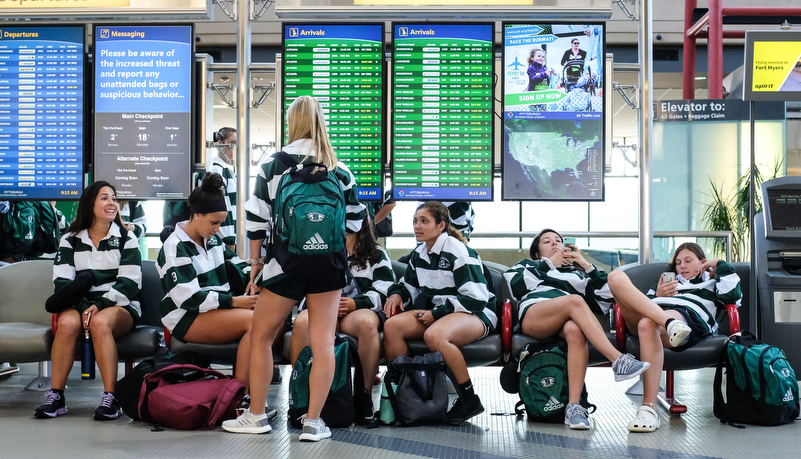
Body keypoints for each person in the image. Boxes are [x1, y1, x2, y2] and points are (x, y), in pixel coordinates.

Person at [222, 95, 366, 441]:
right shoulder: (338, 167)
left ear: (292, 122)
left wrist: (256, 264)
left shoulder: (273, 164)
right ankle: (314, 422)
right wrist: (336, 259)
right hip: (328, 267)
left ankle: (256, 415)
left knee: (261, 337)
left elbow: (255, 218)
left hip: (285, 264)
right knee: (323, 342)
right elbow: (356, 222)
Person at [503, 229, 649, 430]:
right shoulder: (528, 265)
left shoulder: (577, 273)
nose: (555, 244)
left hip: (567, 320)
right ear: (537, 252)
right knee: (575, 301)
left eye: (559, 241)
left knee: (575, 329)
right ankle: (617, 360)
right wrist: (549, 265)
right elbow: (516, 288)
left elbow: (606, 298)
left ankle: (574, 408)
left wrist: (586, 265)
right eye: (547, 241)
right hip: (536, 316)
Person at [156, 172, 272, 413]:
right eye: (214, 223)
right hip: (185, 317)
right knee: (255, 322)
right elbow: (188, 299)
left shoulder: (213, 240)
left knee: (266, 320)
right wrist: (235, 302)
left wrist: (254, 277)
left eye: (220, 223)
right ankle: (238, 399)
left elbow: (236, 262)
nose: (218, 229)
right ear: (197, 215)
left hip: (214, 310)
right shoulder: (174, 246)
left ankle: (244, 398)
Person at [35, 181, 142, 420]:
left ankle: (111, 398)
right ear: (89, 204)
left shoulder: (127, 238)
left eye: (114, 198)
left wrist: (98, 306)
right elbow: (62, 284)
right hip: (79, 304)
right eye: (104, 198)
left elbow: (130, 284)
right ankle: (57, 397)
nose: (112, 203)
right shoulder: (70, 240)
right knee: (66, 324)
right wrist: (85, 307)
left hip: (119, 304)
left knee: (100, 322)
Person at [383, 201, 496, 424]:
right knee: (392, 326)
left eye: (424, 221)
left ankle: (468, 399)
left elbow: (476, 297)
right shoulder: (420, 253)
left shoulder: (457, 250)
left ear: (441, 225)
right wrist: (396, 293)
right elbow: (408, 285)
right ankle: (407, 394)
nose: (417, 226)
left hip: (476, 313)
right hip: (442, 313)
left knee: (435, 335)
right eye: (415, 221)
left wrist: (437, 313)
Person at [607, 242, 740, 432]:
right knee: (615, 276)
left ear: (702, 262)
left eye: (688, 261)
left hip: (686, 318)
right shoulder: (663, 286)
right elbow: (638, 304)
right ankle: (668, 322)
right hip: (655, 316)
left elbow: (733, 294)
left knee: (647, 324)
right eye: (678, 263)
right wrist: (656, 295)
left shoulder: (712, 283)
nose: (682, 266)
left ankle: (648, 408)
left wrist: (719, 264)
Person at [289, 216, 396, 422]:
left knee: (367, 322)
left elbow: (386, 290)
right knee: (302, 322)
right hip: (323, 311)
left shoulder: (376, 254)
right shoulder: (317, 248)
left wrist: (357, 303)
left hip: (356, 312)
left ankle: (363, 396)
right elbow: (301, 290)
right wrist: (321, 305)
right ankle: (300, 394)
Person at [210, 127, 239, 251]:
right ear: (220, 144)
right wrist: (228, 241)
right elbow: (221, 207)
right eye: (232, 143)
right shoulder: (216, 170)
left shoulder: (228, 170)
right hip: (223, 241)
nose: (236, 148)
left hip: (232, 238)